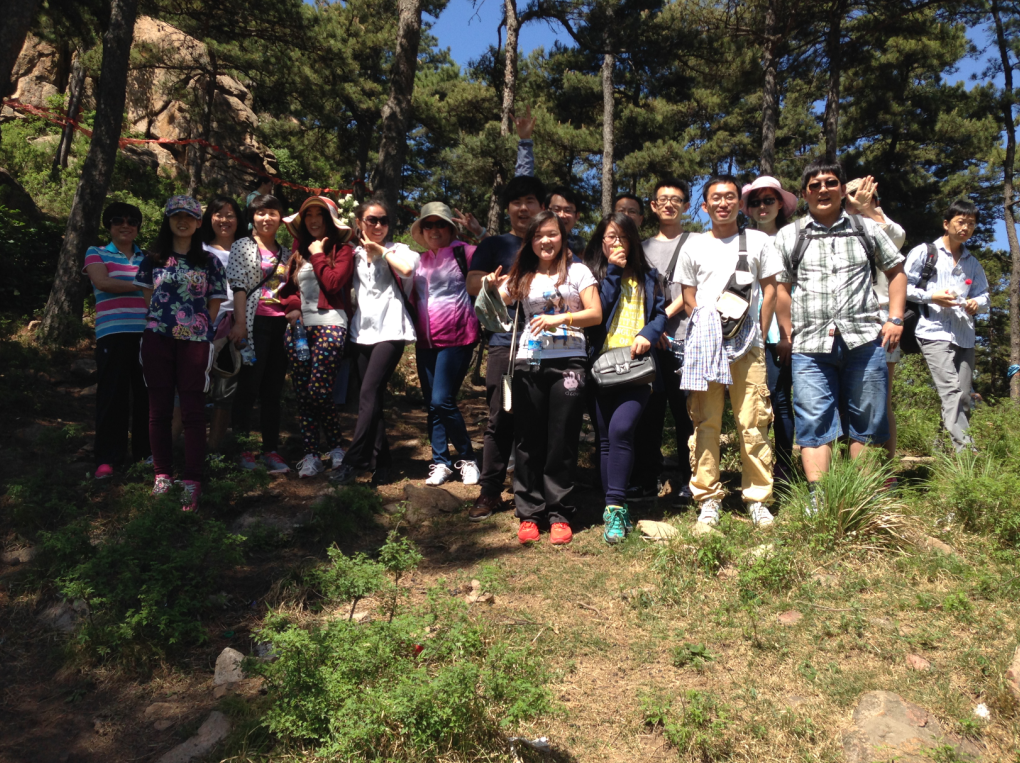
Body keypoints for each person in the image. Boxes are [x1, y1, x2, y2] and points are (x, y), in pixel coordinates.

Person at [773, 160, 906, 505]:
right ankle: (820, 499)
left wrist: (895, 319)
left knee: (869, 421)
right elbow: (782, 288)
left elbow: (896, 271)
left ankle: (866, 499)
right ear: (804, 194)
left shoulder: (867, 228)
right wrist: (786, 335)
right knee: (814, 422)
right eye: (814, 185)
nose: (823, 190)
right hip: (809, 345)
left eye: (831, 183)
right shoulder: (790, 235)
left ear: (842, 189)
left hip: (865, 340)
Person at [484, 211, 602, 545]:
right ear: (530, 241)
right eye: (538, 236)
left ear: (562, 237)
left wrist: (561, 319)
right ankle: (530, 513)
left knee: (562, 438)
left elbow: (595, 314)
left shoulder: (578, 271)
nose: (545, 241)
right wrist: (491, 288)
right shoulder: (523, 273)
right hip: (529, 361)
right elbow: (497, 305)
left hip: (570, 361)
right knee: (528, 438)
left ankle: (559, 513)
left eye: (551, 234)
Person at [677, 175, 780, 528]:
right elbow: (688, 297)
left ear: (739, 202)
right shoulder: (692, 245)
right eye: (716, 198)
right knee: (706, 421)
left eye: (730, 197)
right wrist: (708, 331)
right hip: (705, 348)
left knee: (753, 422)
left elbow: (770, 290)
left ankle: (758, 498)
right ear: (705, 205)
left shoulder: (759, 241)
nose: (723, 203)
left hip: (748, 347)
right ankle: (708, 497)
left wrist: (758, 333)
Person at [134, 196, 227, 510]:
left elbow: (215, 303)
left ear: (199, 222)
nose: (182, 222)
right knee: (158, 411)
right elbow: (149, 298)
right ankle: (162, 475)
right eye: (176, 216)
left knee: (193, 412)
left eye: (189, 217)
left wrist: (200, 329)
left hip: (195, 342)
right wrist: (166, 323)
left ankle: (192, 480)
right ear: (168, 220)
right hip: (158, 339)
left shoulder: (210, 262)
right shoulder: (153, 259)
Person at [465, 175, 546, 519]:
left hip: (546, 346)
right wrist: (489, 282)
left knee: (539, 418)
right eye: (516, 202)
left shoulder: (550, 244)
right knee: (502, 415)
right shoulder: (495, 244)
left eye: (530, 201)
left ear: (542, 207)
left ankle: (535, 488)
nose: (523, 208)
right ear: (508, 208)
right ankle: (490, 491)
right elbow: (472, 282)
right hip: (506, 345)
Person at [586, 213, 666, 544]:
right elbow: (597, 315)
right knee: (606, 439)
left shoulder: (649, 276)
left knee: (621, 430)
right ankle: (612, 510)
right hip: (601, 367)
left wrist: (648, 333)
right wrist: (613, 272)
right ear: (601, 241)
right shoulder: (594, 274)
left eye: (622, 237)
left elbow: (660, 313)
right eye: (610, 237)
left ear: (633, 240)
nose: (616, 243)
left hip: (637, 366)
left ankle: (617, 506)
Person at [331, 197, 420, 485]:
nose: (379, 225)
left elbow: (407, 270)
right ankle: (382, 463)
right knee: (372, 398)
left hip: (391, 330)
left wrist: (381, 250)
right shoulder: (353, 254)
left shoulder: (400, 250)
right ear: (359, 223)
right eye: (372, 220)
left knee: (369, 392)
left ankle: (353, 461)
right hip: (361, 332)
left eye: (384, 220)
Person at [277, 196, 355, 478]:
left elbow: (333, 283)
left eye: (318, 215)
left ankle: (335, 447)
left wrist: (319, 253)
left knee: (318, 390)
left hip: (330, 324)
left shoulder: (343, 251)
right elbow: (288, 290)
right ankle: (311, 454)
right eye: (307, 215)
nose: (312, 220)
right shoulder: (298, 252)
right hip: (299, 329)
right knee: (303, 394)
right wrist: (293, 308)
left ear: (329, 220)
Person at [904, 199, 988, 452]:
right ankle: (967, 455)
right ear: (946, 224)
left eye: (971, 224)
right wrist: (932, 296)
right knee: (951, 392)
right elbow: (902, 287)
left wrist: (976, 303)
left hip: (965, 335)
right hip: (933, 331)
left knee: (963, 396)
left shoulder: (972, 262)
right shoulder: (925, 252)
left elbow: (984, 296)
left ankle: (943, 450)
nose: (965, 228)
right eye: (960, 222)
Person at [631, 178, 697, 503]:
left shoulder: (696, 243)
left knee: (687, 415)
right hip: (651, 345)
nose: (669, 204)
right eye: (663, 199)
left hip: (686, 340)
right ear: (654, 206)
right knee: (650, 415)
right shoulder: (641, 248)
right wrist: (650, 331)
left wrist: (657, 325)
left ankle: (690, 478)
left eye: (676, 199)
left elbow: (694, 291)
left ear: (685, 205)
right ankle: (648, 478)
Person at [410, 202, 481, 486]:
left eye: (441, 224)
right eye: (428, 225)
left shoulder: (466, 252)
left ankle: (468, 458)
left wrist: (480, 232)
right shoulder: (418, 261)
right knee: (433, 405)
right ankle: (440, 462)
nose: (434, 230)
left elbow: (503, 255)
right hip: (425, 342)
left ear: (451, 229)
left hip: (457, 338)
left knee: (442, 400)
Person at [83, 202, 151, 479]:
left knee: (147, 397)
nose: (125, 225)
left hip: (148, 334)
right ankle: (107, 458)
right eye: (118, 220)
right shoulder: (96, 252)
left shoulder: (149, 257)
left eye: (132, 221)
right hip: (113, 333)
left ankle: (146, 455)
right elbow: (103, 282)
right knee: (112, 396)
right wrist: (144, 284)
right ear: (108, 225)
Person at [227, 194, 293, 474]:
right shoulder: (243, 245)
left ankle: (271, 450)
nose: (266, 218)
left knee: (272, 390)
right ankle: (242, 450)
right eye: (260, 213)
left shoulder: (286, 252)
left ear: (281, 218)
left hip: (281, 325)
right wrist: (240, 323)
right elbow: (239, 286)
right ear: (252, 217)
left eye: (272, 213)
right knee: (248, 387)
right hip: (254, 323)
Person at [740, 176, 798, 485]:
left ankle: (784, 467)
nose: (762, 207)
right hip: (746, 331)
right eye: (755, 202)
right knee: (751, 401)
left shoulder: (791, 239)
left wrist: (787, 334)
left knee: (779, 398)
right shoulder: (741, 240)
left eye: (768, 200)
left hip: (779, 334)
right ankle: (756, 465)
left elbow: (788, 290)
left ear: (780, 204)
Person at [845, 176, 907, 467]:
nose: (857, 200)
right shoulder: (837, 226)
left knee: (880, 398)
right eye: (851, 196)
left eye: (864, 194)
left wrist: (867, 210)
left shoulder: (883, 224)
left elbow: (896, 238)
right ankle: (848, 470)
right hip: (843, 320)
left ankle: (887, 469)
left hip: (882, 318)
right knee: (847, 399)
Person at [199, 196, 245, 453]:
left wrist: (241, 323)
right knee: (192, 387)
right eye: (219, 214)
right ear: (210, 218)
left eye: (230, 215)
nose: (224, 220)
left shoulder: (248, 249)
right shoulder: (199, 248)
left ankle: (213, 451)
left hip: (234, 326)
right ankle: (186, 446)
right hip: (201, 324)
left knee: (225, 391)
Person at [545, 186, 586, 256]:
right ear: (545, 212)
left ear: (577, 216)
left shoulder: (579, 251)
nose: (562, 215)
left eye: (568, 210)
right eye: (556, 209)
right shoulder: (534, 243)